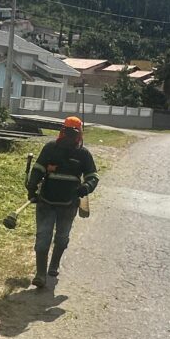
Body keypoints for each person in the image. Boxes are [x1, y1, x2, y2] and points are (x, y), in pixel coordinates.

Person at [25, 116, 98, 289]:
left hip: (69, 204)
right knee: (43, 237)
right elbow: (38, 168)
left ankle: (54, 265)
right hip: (46, 201)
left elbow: (93, 176)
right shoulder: (50, 148)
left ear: (79, 134)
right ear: (62, 132)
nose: (70, 136)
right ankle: (40, 274)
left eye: (74, 133)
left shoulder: (84, 154)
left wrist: (86, 187)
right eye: (67, 132)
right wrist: (31, 187)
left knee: (62, 238)